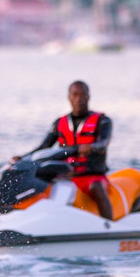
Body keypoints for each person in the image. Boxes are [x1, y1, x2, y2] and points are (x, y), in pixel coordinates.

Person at [21, 80, 115, 219]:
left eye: (83, 95)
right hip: (66, 175)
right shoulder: (59, 123)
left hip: (91, 176)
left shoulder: (103, 121)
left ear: (88, 97)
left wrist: (92, 147)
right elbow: (43, 147)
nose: (79, 99)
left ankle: (109, 226)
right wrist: (22, 158)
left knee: (97, 188)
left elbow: (103, 143)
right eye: (75, 95)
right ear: (69, 97)